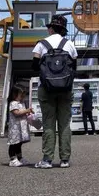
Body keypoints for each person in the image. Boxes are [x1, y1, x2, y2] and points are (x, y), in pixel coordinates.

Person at [32, 14, 77, 168]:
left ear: (50, 28)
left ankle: (47, 159)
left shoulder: (41, 44)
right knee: (65, 124)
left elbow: (34, 66)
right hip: (66, 88)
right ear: (63, 30)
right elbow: (74, 67)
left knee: (49, 123)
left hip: (46, 88)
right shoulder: (69, 44)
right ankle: (65, 160)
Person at [6, 85, 33, 167]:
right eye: (21, 95)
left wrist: (27, 113)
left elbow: (22, 112)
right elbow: (16, 113)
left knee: (19, 143)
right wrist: (26, 111)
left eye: (24, 95)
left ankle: (19, 157)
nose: (23, 97)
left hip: (21, 127)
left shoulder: (21, 103)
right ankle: (12, 159)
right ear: (14, 94)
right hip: (15, 128)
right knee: (13, 143)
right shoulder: (13, 103)